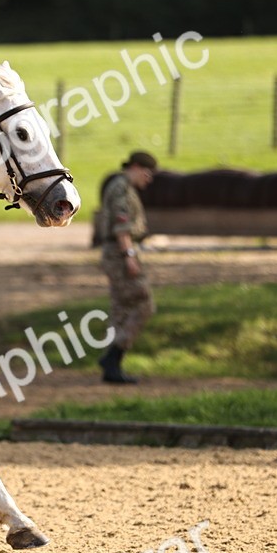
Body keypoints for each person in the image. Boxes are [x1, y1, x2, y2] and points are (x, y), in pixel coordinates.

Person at [96, 150, 158, 383]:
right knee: (144, 304)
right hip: (120, 253)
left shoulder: (120, 186)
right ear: (134, 166)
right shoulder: (121, 188)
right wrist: (129, 256)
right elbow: (121, 227)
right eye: (146, 172)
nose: (148, 178)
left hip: (116, 252)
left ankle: (112, 367)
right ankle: (113, 357)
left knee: (121, 308)